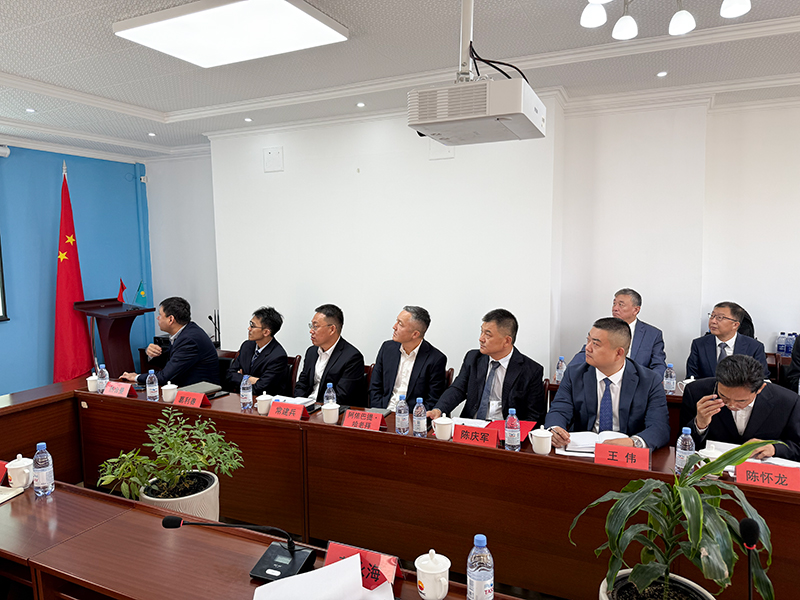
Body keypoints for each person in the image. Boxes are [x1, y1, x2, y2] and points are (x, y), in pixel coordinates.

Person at [544, 317, 670, 450]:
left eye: (595, 344)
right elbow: (559, 410)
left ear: (619, 353)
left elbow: (659, 427)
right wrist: (555, 429)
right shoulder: (574, 374)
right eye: (588, 340)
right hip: (582, 450)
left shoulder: (649, 381)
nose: (587, 348)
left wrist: (633, 442)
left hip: (626, 453)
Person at [427, 309, 545, 423]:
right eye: (481, 332)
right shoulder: (473, 358)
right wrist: (439, 409)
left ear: (507, 341)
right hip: (472, 426)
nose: (481, 339)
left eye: (488, 335)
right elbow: (458, 389)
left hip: (506, 430)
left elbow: (534, 415)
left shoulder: (531, 370)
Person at [681, 355, 800, 461]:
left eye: (741, 401)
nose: (731, 405)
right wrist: (700, 425)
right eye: (723, 396)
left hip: (760, 471)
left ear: (760, 389)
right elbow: (681, 445)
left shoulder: (788, 401)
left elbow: (797, 447)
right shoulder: (696, 392)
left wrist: (774, 448)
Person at [568, 288, 667, 378]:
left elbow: (659, 366)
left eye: (621, 305)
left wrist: (648, 383)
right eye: (614, 303)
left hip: (637, 383)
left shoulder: (652, 334)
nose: (615, 308)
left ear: (636, 310)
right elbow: (585, 353)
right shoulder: (603, 328)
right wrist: (568, 373)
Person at [121, 296, 219, 386]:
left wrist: (136, 377)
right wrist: (151, 353)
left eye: (160, 315)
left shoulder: (189, 340)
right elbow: (172, 362)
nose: (158, 318)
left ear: (171, 319)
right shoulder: (185, 332)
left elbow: (164, 377)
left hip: (201, 393)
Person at [369, 306, 447, 412]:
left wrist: (412, 418)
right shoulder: (387, 348)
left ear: (415, 334)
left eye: (400, 324)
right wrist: (379, 413)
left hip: (411, 417)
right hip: (383, 411)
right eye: (396, 321)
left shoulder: (435, 359)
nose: (394, 327)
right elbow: (375, 387)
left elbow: (432, 400)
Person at [294, 304, 366, 406]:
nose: (311, 331)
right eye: (311, 326)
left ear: (332, 329)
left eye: (315, 326)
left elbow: (342, 396)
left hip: (329, 409)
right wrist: (300, 404)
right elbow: (301, 385)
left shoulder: (352, 357)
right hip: (307, 406)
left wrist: (316, 407)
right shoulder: (311, 352)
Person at [686, 302, 768, 380]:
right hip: (707, 390)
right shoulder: (699, 344)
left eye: (720, 318)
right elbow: (692, 377)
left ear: (735, 325)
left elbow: (761, 378)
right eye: (712, 316)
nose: (713, 321)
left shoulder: (754, 347)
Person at [225, 306, 290, 396]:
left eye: (253, 326)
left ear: (266, 332)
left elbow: (260, 388)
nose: (249, 328)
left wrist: (241, 377)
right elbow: (229, 375)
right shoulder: (247, 346)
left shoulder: (278, 356)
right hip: (242, 398)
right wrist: (250, 379)